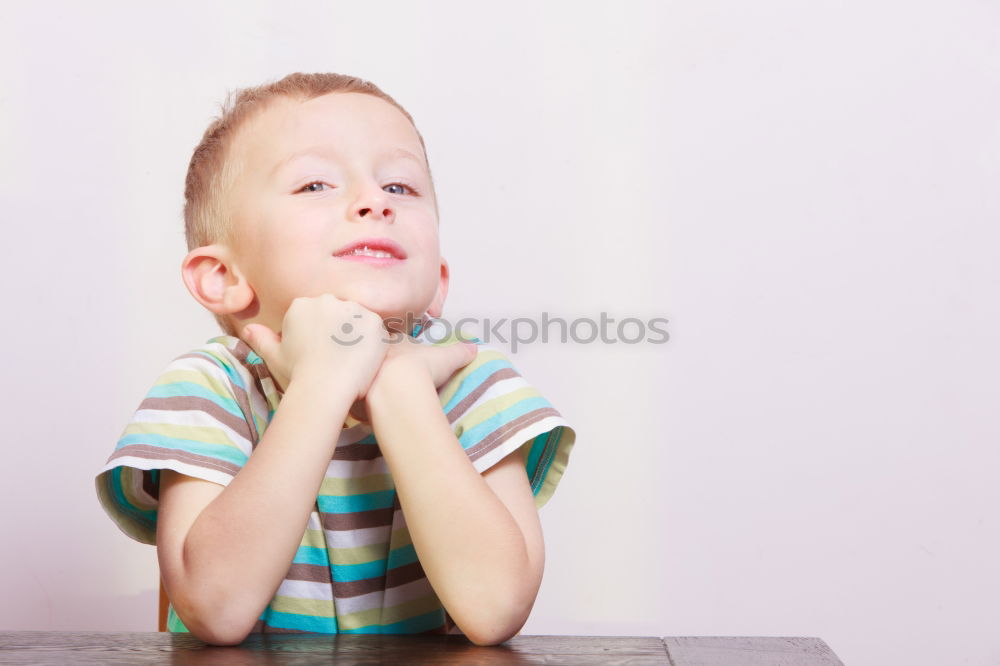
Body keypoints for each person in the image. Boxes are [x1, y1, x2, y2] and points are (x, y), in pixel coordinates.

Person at [95, 72, 576, 647]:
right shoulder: (209, 387)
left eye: (400, 186)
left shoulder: (474, 381)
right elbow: (215, 609)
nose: (374, 201)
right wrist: (322, 384)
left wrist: (400, 388)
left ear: (438, 281)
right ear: (223, 277)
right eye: (315, 184)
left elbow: (494, 609)